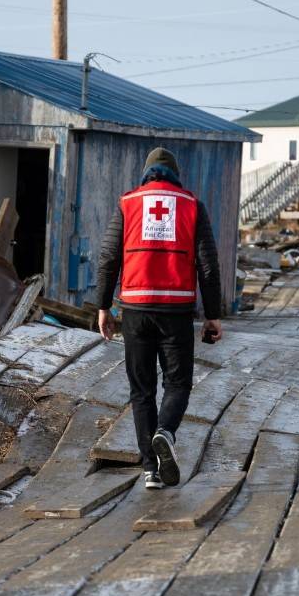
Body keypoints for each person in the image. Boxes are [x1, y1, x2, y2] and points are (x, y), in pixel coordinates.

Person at [95, 147, 223, 490]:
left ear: (147, 172)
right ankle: (165, 431)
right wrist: (213, 316)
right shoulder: (192, 205)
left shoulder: (128, 203)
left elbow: (108, 257)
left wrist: (103, 306)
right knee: (178, 383)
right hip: (176, 310)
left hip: (134, 308)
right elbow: (208, 265)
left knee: (141, 390)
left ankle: (151, 470)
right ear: (175, 173)